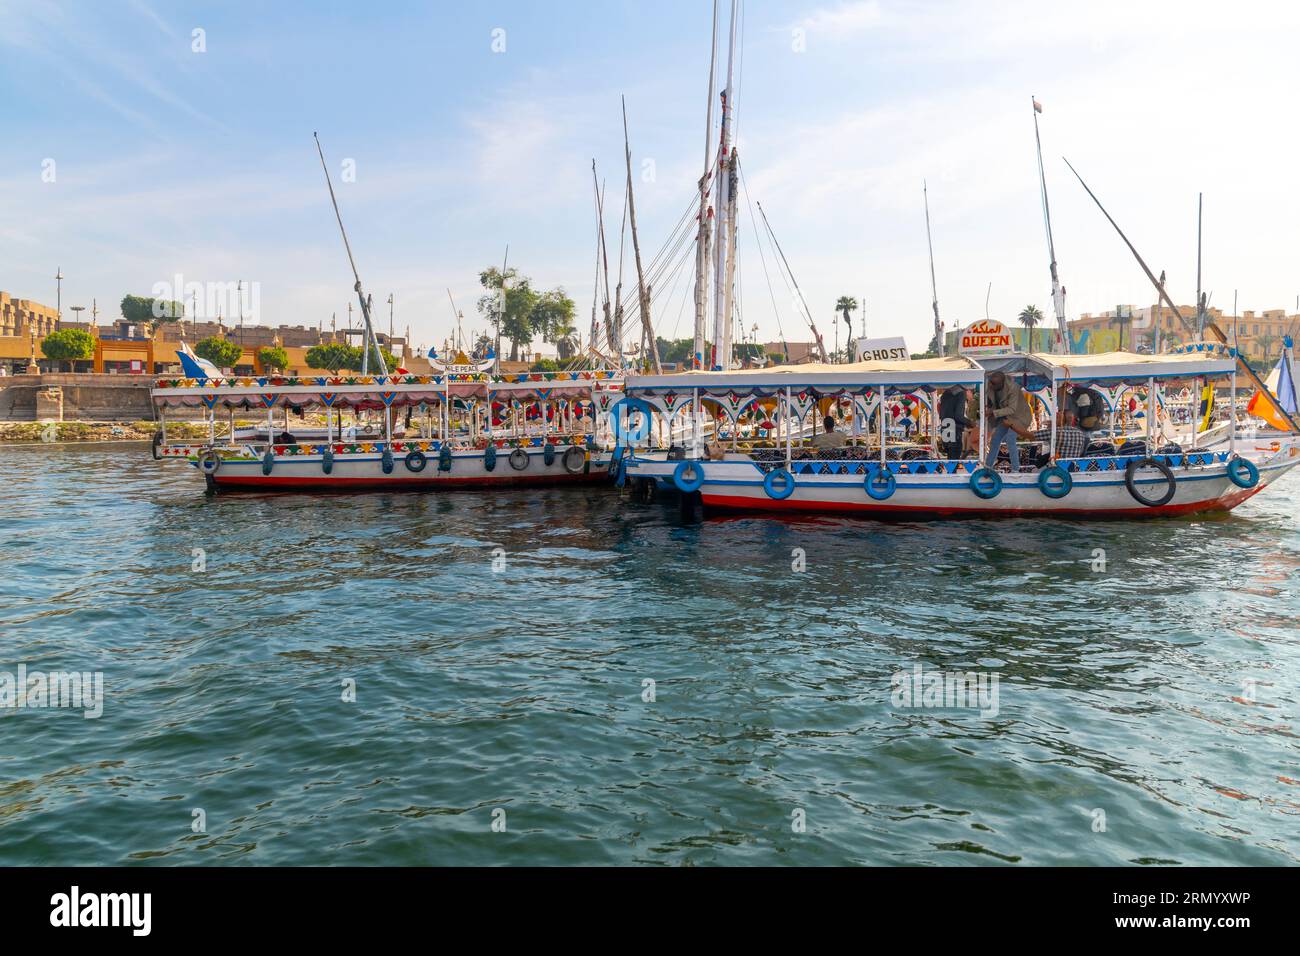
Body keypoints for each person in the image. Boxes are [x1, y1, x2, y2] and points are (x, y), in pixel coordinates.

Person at [984, 371, 1033, 471]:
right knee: (995, 439)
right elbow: (996, 403)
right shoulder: (991, 386)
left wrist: (993, 412)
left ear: (1002, 383)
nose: (991, 385)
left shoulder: (1013, 388)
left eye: (994, 384)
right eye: (991, 383)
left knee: (1010, 439)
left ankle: (1016, 470)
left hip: (1021, 417)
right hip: (1007, 417)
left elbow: (1012, 409)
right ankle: (988, 467)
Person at [937, 383, 973, 460]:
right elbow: (958, 416)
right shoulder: (961, 393)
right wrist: (969, 422)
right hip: (954, 429)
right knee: (954, 459)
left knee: (950, 460)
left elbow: (941, 412)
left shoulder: (945, 394)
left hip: (945, 426)